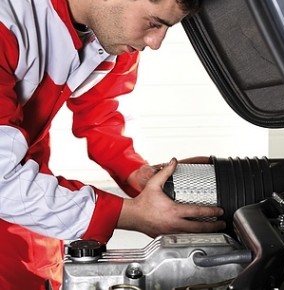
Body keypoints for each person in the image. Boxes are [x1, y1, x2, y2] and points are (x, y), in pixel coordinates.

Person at [0, 0, 226, 289]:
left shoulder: (109, 29)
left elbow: (100, 114)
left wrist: (141, 176)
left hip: (28, 198)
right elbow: (4, 182)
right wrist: (130, 215)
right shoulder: (7, 23)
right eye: (154, 23)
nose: (155, 42)